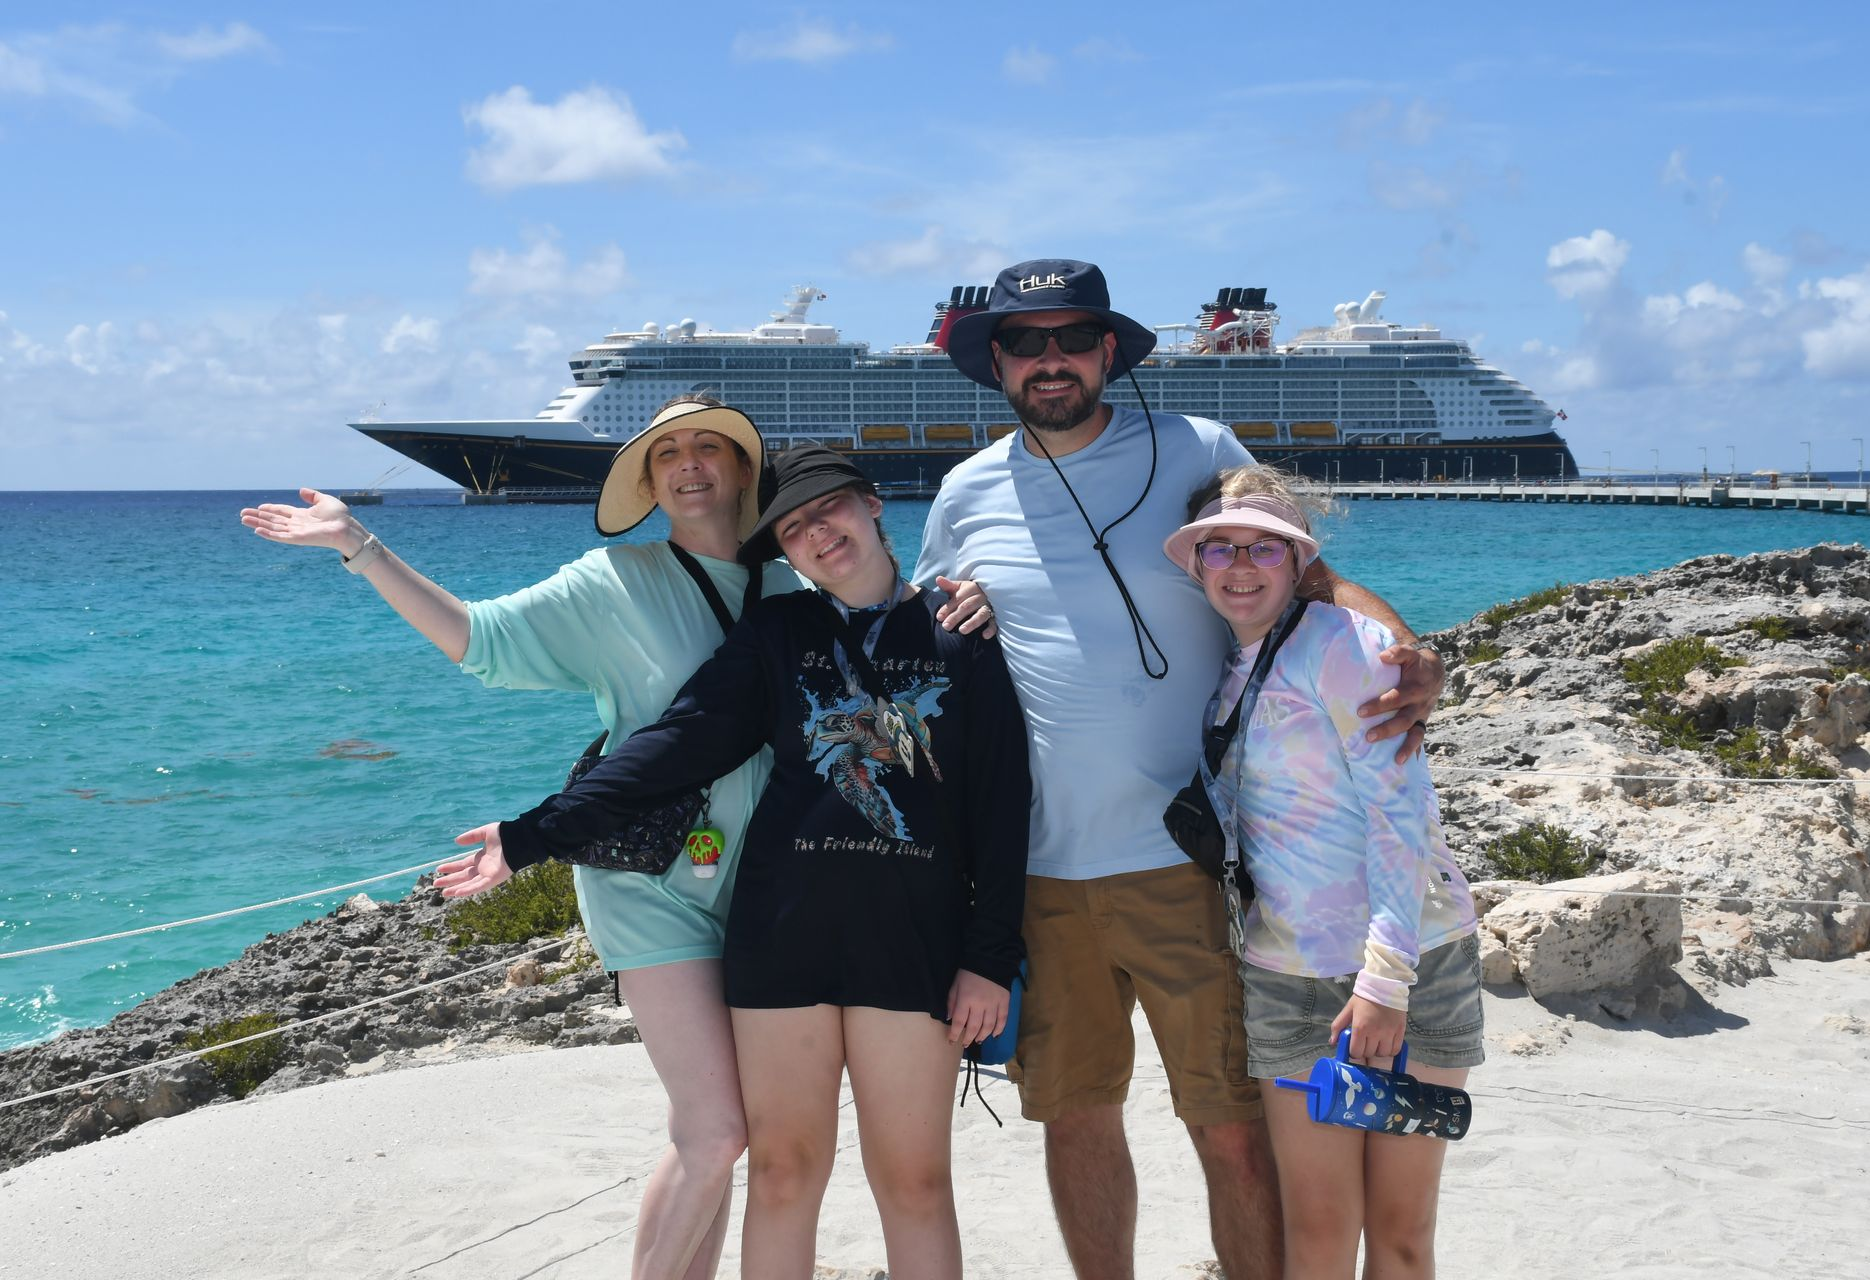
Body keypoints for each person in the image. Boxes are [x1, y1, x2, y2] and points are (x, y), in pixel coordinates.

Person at [240, 398, 986, 1280]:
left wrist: (963, 601)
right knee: (717, 1131)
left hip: (771, 897)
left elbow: (893, 648)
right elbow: (479, 640)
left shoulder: (798, 581)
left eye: (710, 445)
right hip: (654, 885)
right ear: (648, 481)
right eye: (667, 452)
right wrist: (360, 547)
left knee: (735, 1136)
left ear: (745, 471)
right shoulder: (610, 581)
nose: (690, 463)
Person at [915, 259, 1445, 1278]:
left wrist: (1410, 657)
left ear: (1109, 350)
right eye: (1026, 340)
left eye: (1073, 337)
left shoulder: (1195, 446)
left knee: (1232, 1126)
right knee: (1073, 1118)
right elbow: (931, 635)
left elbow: (1310, 579)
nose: (1051, 358)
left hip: (1189, 861)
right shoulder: (963, 492)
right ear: (998, 361)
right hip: (1038, 871)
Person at [438, 445, 1031, 1280]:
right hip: (782, 945)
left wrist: (988, 958)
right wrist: (533, 833)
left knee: (916, 1183)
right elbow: (677, 745)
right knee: (784, 1176)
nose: (817, 532)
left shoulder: (961, 637)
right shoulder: (780, 630)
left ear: (871, 505)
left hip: (916, 947)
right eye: (792, 528)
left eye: (829, 508)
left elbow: (1004, 812)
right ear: (782, 552)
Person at [1163, 466, 1482, 1279]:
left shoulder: (1348, 648)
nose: (1240, 565)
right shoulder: (1232, 670)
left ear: (1300, 561)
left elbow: (1401, 818)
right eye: (1220, 548)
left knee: (1402, 1231)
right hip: (1286, 978)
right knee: (1316, 1229)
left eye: (1263, 547)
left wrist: (1385, 982)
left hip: (1410, 967)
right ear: (1196, 564)